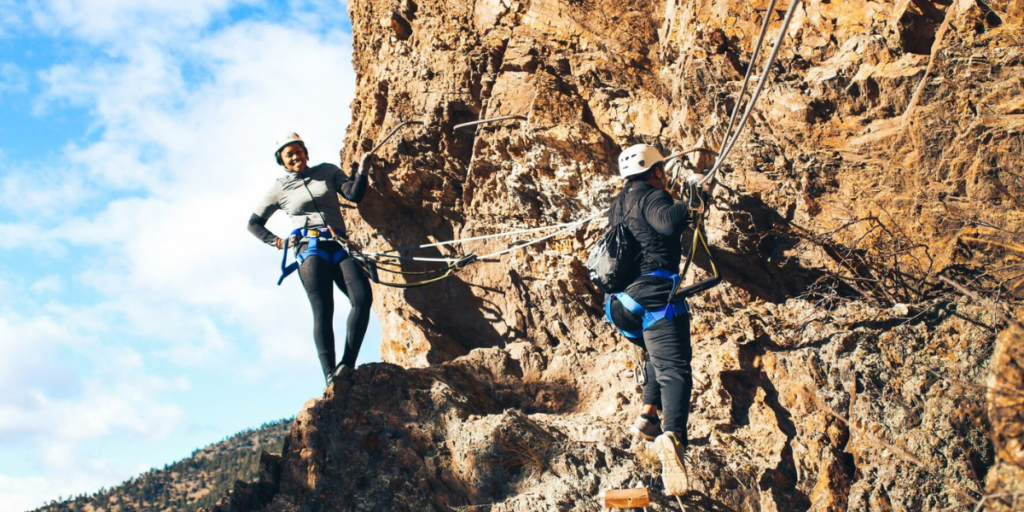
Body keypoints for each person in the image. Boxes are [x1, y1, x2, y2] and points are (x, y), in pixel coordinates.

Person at [605, 143, 702, 493]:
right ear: (656, 171)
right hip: (654, 296)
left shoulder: (618, 204)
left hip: (620, 306)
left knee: (658, 359)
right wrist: (690, 203)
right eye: (662, 170)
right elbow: (664, 222)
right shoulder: (651, 196)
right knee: (675, 368)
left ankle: (648, 416)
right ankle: (673, 437)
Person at [247, 132, 373, 385]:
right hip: (310, 249)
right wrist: (278, 242)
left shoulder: (327, 171)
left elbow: (353, 194)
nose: (296, 156)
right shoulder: (280, 188)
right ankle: (330, 376)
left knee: (362, 299)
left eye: (298, 150)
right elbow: (254, 223)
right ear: (282, 161)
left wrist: (363, 172)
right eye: (289, 154)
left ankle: (347, 364)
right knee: (323, 311)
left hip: (338, 244)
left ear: (306, 151)